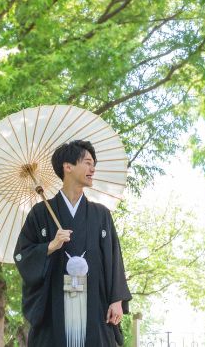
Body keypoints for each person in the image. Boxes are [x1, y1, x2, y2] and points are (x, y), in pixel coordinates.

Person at [14, 140, 131, 346]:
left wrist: (117, 299)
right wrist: (50, 246)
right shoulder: (41, 213)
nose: (93, 169)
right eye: (87, 163)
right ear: (67, 167)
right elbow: (22, 254)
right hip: (55, 303)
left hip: (95, 303)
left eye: (94, 164)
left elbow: (114, 258)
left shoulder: (100, 214)